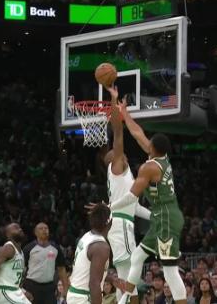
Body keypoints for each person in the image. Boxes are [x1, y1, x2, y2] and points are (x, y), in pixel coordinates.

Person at [113, 100, 186, 304]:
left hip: (166, 220)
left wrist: (109, 207)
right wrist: (125, 114)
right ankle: (125, 299)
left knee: (170, 271)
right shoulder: (161, 159)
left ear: (153, 147)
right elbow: (137, 134)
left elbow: (131, 197)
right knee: (136, 258)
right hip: (162, 217)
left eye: (150, 142)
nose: (147, 143)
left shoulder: (149, 168)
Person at [101, 86, 151, 302]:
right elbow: (118, 134)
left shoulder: (125, 177)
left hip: (120, 223)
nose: (119, 153)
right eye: (115, 154)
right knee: (131, 279)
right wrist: (114, 104)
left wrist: (154, 215)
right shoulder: (118, 168)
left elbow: (134, 206)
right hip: (121, 226)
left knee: (126, 279)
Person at [67, 203, 112, 304]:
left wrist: (112, 279)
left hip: (76, 294)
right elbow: (94, 283)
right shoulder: (101, 246)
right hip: (84, 297)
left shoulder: (87, 236)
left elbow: (87, 271)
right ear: (108, 222)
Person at [0, 223, 31, 304]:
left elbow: (14, 278)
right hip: (3, 291)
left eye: (20, 227)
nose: (20, 229)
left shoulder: (21, 252)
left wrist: (23, 291)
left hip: (14, 291)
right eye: (15, 228)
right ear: (8, 235)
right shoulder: (8, 248)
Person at [22, 222, 69, 304]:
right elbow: (22, 269)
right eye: (41, 228)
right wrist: (22, 290)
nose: (44, 230)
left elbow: (61, 269)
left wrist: (66, 288)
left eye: (46, 228)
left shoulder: (55, 248)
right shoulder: (28, 248)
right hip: (31, 286)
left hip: (49, 287)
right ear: (35, 233)